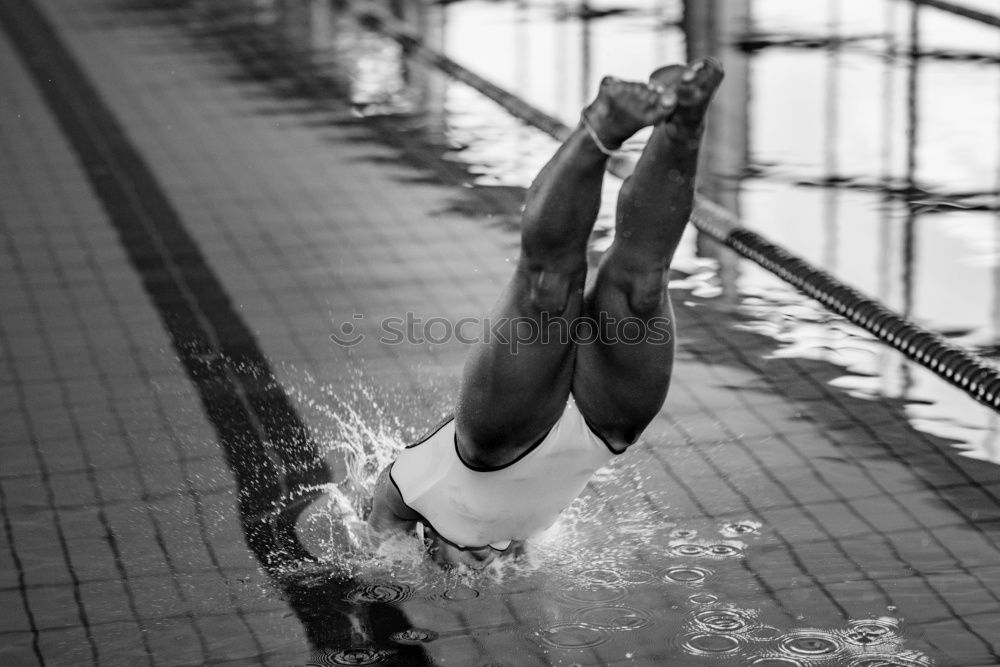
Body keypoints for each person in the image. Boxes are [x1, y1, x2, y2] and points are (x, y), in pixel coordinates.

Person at [367, 59, 725, 567]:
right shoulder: (515, 548)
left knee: (548, 288)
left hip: (494, 445)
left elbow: (383, 527)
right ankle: (685, 118)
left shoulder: (402, 505)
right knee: (643, 286)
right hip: (601, 433)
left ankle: (602, 126)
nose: (486, 570)